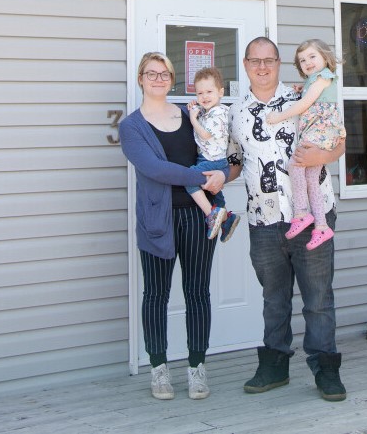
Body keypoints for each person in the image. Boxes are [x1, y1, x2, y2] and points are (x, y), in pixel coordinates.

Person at [226, 36, 347, 402]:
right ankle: (274, 366)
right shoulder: (235, 112)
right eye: (255, 60)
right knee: (273, 298)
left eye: (270, 60)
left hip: (312, 217)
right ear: (246, 65)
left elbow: (338, 140)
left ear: (279, 63)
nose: (262, 67)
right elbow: (234, 160)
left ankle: (326, 369)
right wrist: (215, 176)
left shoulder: (303, 94)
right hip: (263, 219)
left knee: (318, 298)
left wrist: (322, 157)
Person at [119, 52, 227, 401]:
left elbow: (221, 148)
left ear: (172, 78)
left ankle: (197, 367)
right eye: (151, 73)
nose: (158, 79)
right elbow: (155, 169)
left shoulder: (189, 114)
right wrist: (201, 178)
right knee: (156, 294)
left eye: (164, 73)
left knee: (198, 292)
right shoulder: (131, 127)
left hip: (199, 216)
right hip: (157, 221)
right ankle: (159, 369)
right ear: (140, 79)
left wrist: (223, 173)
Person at [266, 39, 346, 250]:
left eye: (312, 56)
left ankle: (301, 212)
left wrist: (278, 116)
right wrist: (304, 87)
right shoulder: (315, 80)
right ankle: (321, 226)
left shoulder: (323, 77)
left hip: (320, 130)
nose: (307, 62)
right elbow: (314, 95)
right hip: (321, 132)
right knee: (311, 178)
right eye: (302, 60)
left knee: (295, 165)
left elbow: (305, 104)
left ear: (325, 57)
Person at [186, 67, 240, 242]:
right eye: (200, 93)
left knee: (189, 178)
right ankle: (227, 220)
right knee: (216, 194)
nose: (204, 96)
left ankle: (211, 214)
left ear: (221, 92)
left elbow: (205, 135)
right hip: (211, 158)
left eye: (209, 92)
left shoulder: (219, 113)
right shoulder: (208, 111)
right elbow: (202, 113)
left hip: (214, 160)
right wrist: (195, 108)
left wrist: (192, 118)